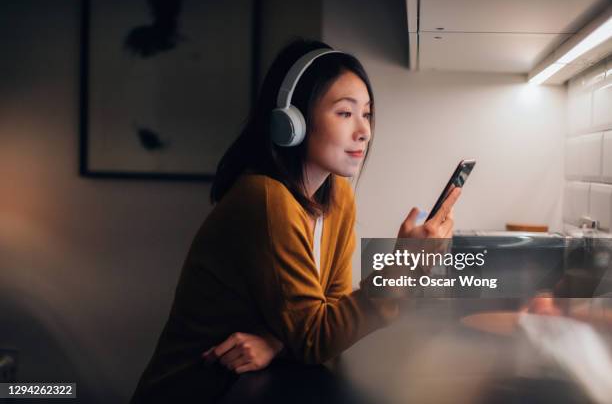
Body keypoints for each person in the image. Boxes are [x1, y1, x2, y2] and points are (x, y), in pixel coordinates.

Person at [130, 39, 460, 403]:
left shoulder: (338, 197)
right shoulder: (265, 200)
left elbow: (329, 321)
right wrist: (404, 265)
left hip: (247, 388)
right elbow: (317, 338)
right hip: (197, 392)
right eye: (345, 113)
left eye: (367, 113)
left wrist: (277, 342)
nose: (364, 130)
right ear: (293, 121)